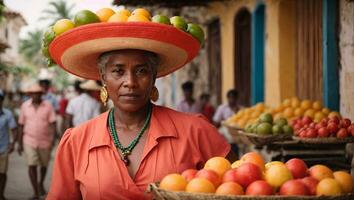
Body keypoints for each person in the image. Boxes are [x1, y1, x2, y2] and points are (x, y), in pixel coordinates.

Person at [46, 19, 234, 200]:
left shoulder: (195, 130)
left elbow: (240, 186)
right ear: (103, 78)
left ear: (153, 77)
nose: (130, 82)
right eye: (118, 71)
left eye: (141, 71)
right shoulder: (76, 141)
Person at [18, 84, 56, 200]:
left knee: (44, 165)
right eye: (33, 93)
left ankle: (40, 183)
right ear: (30, 94)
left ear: (41, 94)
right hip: (29, 140)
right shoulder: (24, 106)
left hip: (45, 141)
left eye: (38, 93)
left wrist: (53, 139)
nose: (36, 95)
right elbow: (21, 125)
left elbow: (53, 123)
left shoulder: (48, 106)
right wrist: (19, 144)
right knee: (32, 164)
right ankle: (35, 191)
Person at [0, 90, 18, 200]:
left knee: (2, 173)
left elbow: (14, 129)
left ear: (2, 101)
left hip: (3, 148)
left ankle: (1, 194)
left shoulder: (8, 114)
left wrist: (12, 144)